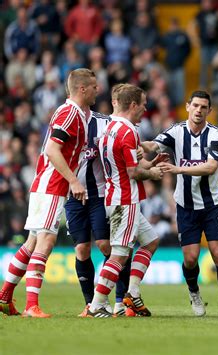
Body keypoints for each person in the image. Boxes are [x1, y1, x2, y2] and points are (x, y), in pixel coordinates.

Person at [0, 68, 97, 317]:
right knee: (46, 241)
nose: (98, 90)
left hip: (46, 185)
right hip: (52, 185)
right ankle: (31, 305)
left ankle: (4, 297)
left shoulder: (78, 114)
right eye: (94, 87)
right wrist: (74, 181)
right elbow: (53, 149)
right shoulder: (69, 113)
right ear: (82, 88)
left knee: (33, 242)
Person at [142, 90, 218, 319]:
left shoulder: (215, 134)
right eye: (195, 105)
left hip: (213, 204)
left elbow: (211, 167)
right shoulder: (176, 131)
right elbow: (155, 145)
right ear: (187, 106)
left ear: (209, 111)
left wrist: (178, 169)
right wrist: (137, 145)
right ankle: (194, 292)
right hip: (186, 205)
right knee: (191, 258)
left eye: (204, 107)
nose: (199, 110)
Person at [86, 83, 167, 318]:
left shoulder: (109, 128)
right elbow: (132, 172)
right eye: (142, 104)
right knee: (119, 255)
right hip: (125, 199)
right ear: (132, 105)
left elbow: (125, 164)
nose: (144, 109)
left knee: (151, 241)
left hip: (114, 195)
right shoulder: (129, 131)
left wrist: (149, 163)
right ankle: (97, 304)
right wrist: (152, 173)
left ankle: (132, 293)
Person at [65, 84, 131, 317]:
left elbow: (121, 144)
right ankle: (90, 303)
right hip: (73, 196)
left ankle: (121, 301)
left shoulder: (104, 123)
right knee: (82, 249)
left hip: (101, 195)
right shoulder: (64, 121)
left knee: (107, 246)